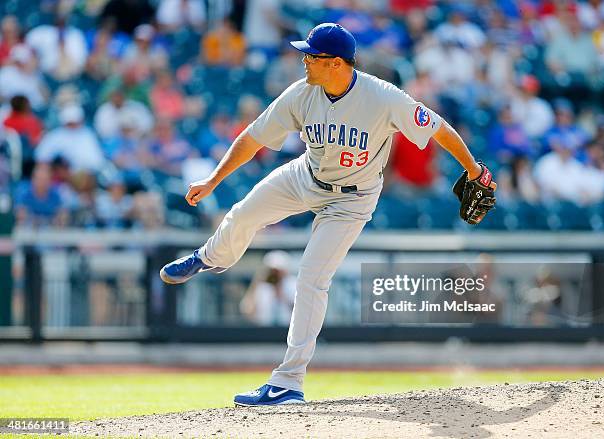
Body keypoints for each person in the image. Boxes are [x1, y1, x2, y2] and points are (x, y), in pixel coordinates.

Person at [159, 23, 497, 406]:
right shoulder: (302, 92)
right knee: (244, 213)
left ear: (335, 63)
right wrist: (214, 179)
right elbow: (252, 137)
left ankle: (287, 382)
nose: (303, 60)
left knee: (311, 279)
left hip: (353, 199)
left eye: (311, 55)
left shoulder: (383, 97)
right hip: (307, 174)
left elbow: (438, 128)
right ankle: (210, 257)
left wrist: (474, 170)